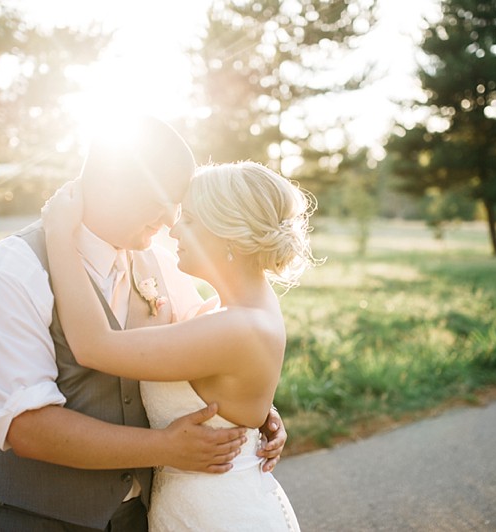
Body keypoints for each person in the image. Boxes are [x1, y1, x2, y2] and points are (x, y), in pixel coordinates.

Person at [0, 116, 287, 531]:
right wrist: (165, 448)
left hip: (145, 518)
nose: (170, 221)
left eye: (178, 205)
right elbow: (28, 428)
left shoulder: (165, 265)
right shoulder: (7, 274)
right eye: (162, 200)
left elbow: (213, 359)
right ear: (112, 184)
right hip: (40, 520)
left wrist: (252, 409)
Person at [41, 160, 318, 531]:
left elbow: (93, 346)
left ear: (229, 235)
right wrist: (254, 411)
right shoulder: (240, 311)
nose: (173, 231)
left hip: (219, 518)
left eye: (189, 220)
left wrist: (59, 233)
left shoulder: (236, 326)